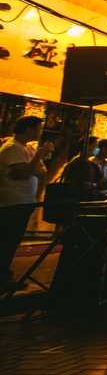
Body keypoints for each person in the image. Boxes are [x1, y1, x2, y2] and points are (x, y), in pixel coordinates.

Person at [0, 116, 52, 290]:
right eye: (38, 128)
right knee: (6, 241)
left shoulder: (26, 148)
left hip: (24, 202)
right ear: (28, 129)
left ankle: (5, 275)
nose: (40, 132)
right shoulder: (12, 148)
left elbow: (40, 171)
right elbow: (22, 173)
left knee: (12, 241)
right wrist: (39, 155)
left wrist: (37, 159)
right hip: (12, 202)